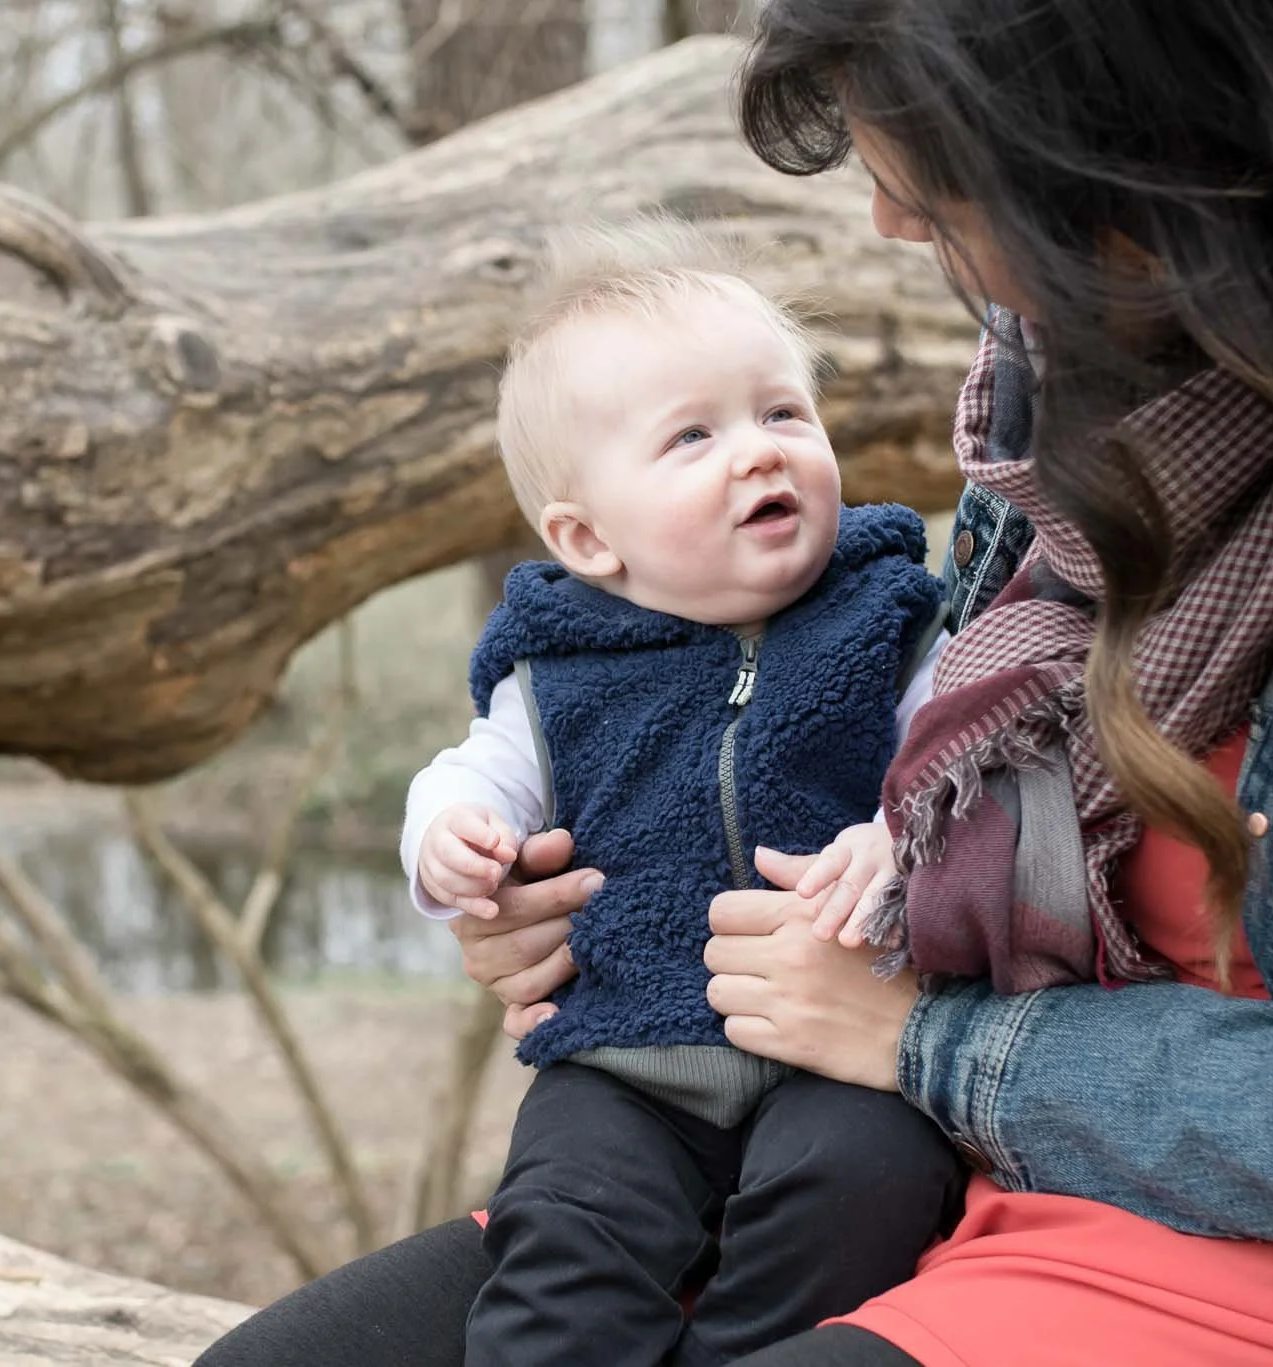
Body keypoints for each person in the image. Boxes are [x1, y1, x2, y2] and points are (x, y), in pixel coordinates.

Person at [195, 1, 1273, 1364]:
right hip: (922, 1140)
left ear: (1139, 161)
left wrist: (926, 1039)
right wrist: (578, 897)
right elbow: (897, 787)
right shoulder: (1072, 375)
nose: (888, 221)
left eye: (940, 189)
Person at [401, 222, 959, 1367]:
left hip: (841, 1048)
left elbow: (949, 760)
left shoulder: (890, 617)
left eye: (780, 413)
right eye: (692, 436)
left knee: (865, 1180)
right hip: (627, 1057)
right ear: (586, 538)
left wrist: (897, 838)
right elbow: (475, 774)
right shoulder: (555, 671)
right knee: (563, 1228)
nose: (757, 452)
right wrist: (444, 841)